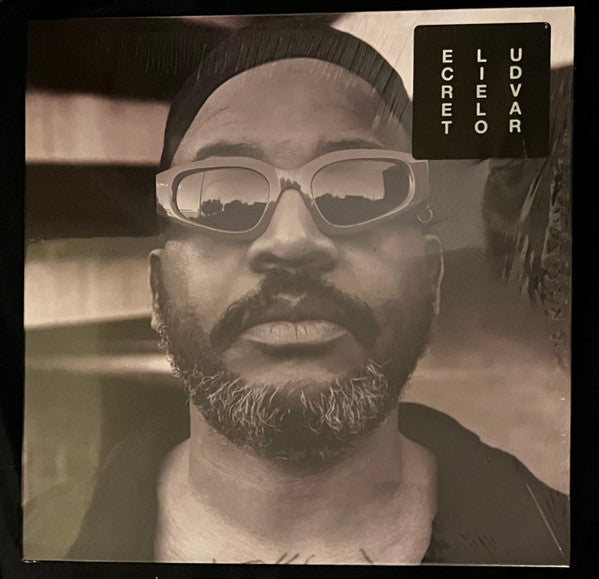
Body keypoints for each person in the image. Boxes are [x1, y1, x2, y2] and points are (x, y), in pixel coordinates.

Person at [65, 24, 568, 565]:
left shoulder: (561, 541)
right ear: (158, 287)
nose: (291, 242)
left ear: (430, 276)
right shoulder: (31, 533)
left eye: (357, 190)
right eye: (223, 197)